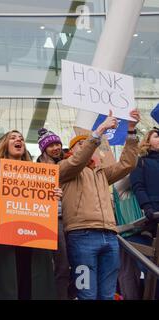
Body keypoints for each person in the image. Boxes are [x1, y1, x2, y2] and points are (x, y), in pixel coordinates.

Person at [60, 110, 140, 300]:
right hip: (81, 237)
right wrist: (99, 131)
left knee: (107, 294)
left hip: (109, 236)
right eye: (82, 143)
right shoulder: (64, 169)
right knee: (86, 293)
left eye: (90, 144)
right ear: (72, 151)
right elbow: (78, 161)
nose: (89, 146)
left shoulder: (102, 173)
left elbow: (128, 163)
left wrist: (130, 132)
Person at [0, 130, 58, 300]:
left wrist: (53, 194)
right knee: (7, 284)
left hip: (32, 237)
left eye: (21, 138)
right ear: (4, 145)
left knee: (30, 281)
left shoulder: (37, 172)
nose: (19, 140)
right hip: (2, 238)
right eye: (13, 138)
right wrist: (8, 192)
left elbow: (42, 201)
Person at [36, 128, 74, 300]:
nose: (56, 148)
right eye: (51, 145)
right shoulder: (37, 169)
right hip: (50, 219)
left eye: (58, 143)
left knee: (68, 263)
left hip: (70, 218)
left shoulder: (68, 164)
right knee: (61, 265)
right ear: (43, 149)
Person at [130, 127, 159, 226]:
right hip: (154, 212)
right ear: (147, 141)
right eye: (156, 136)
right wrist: (146, 206)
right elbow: (138, 186)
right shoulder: (140, 161)